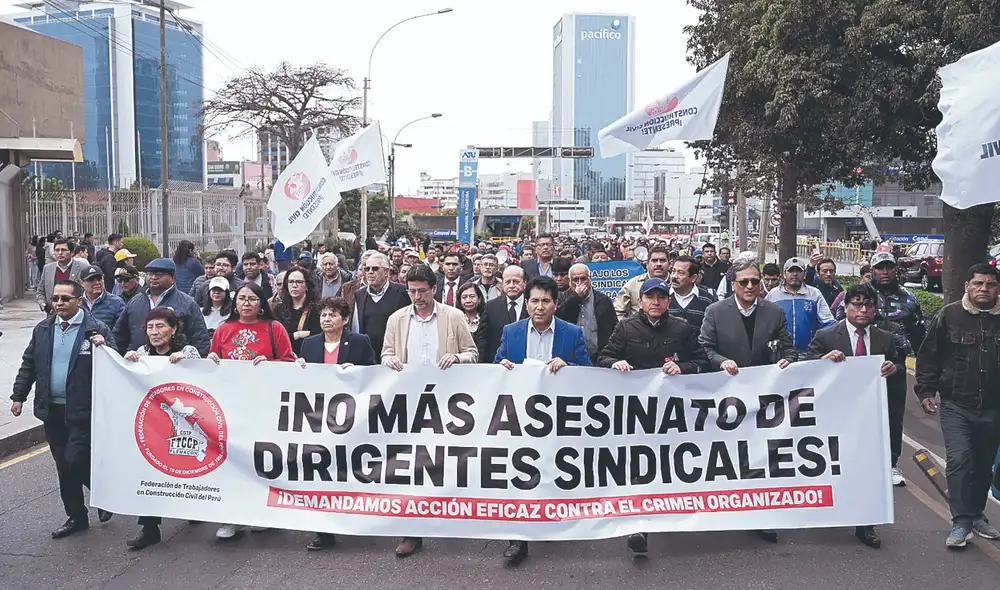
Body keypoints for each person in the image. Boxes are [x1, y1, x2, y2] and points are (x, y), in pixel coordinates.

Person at [598, 277, 709, 554]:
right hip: (636, 411)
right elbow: (603, 357)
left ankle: (671, 512)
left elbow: (702, 361)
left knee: (668, 464)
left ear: (668, 301)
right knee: (639, 466)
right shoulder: (626, 327)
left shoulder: (682, 328)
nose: (655, 302)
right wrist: (616, 362)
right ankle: (640, 526)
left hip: (671, 412)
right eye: (650, 297)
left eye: (660, 297)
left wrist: (683, 367)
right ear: (642, 301)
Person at [381, 264, 479, 558]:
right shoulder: (397, 319)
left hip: (448, 404)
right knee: (410, 466)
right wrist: (390, 361)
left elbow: (474, 354)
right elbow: (385, 353)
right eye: (411, 291)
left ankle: (448, 516)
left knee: (445, 463)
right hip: (409, 404)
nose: (417, 297)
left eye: (422, 291)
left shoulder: (454, 317)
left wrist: (458, 357)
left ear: (434, 289)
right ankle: (411, 531)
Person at [495, 276, 590, 565]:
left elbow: (589, 371)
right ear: (526, 304)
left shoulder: (572, 333)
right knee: (521, 473)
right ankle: (518, 538)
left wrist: (569, 365)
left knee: (552, 470)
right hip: (519, 418)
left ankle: (553, 520)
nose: (539, 307)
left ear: (555, 305)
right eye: (534, 301)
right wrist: (501, 366)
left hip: (558, 419)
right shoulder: (511, 332)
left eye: (545, 301)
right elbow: (497, 362)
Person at [699, 257, 795, 544]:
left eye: (756, 280)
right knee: (726, 458)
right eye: (745, 281)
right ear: (734, 284)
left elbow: (788, 347)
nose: (751, 286)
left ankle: (760, 516)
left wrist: (787, 360)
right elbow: (704, 347)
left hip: (763, 399)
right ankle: (723, 508)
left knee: (760, 458)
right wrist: (721, 361)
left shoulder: (774, 312)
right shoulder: (715, 311)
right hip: (726, 397)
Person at [11, 280, 116, 539]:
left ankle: (104, 495)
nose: (59, 303)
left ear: (79, 300)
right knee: (62, 465)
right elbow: (29, 363)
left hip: (82, 410)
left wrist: (106, 346)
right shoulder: (44, 329)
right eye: (56, 299)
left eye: (65, 299)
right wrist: (18, 395)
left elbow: (115, 362)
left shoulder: (96, 329)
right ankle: (76, 517)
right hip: (51, 409)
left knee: (74, 459)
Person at [805, 283, 906, 550]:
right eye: (857, 304)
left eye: (869, 305)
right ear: (845, 307)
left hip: (870, 416)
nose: (863, 310)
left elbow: (899, 362)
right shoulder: (826, 335)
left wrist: (892, 367)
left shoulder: (885, 337)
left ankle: (866, 524)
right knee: (835, 465)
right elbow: (806, 365)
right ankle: (830, 510)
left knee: (868, 469)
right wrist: (824, 359)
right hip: (835, 416)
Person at [915, 263, 1000, 549]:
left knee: (984, 466)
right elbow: (929, 355)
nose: (984, 289)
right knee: (960, 460)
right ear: (967, 286)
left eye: (990, 284)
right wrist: (926, 390)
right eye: (978, 284)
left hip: (993, 408)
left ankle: (976, 515)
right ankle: (961, 521)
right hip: (956, 405)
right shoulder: (949, 315)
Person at [208, 281, 295, 540]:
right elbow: (212, 360)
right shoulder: (223, 330)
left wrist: (270, 362)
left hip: (263, 405)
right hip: (230, 405)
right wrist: (210, 360)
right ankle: (231, 517)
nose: (246, 303)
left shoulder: (274, 328)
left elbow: (289, 362)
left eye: (252, 299)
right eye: (242, 298)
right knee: (231, 461)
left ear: (261, 304)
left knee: (261, 460)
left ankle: (262, 512)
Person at [296, 296, 377, 551]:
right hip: (318, 417)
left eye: (332, 315)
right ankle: (324, 531)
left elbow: (374, 372)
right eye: (323, 315)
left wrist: (358, 371)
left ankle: (354, 517)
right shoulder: (309, 344)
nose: (326, 320)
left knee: (347, 468)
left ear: (345, 320)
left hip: (350, 417)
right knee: (321, 472)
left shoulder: (359, 342)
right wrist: (297, 367)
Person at [121, 307, 202, 550]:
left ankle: (194, 505)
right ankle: (149, 528)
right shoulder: (142, 353)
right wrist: (127, 362)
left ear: (174, 328)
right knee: (150, 470)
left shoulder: (187, 351)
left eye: (160, 326)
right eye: (150, 327)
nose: (154, 332)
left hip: (185, 423)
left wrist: (186, 364)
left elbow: (203, 379)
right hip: (153, 424)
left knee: (184, 467)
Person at [870, 250, 926, 486]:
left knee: (893, 417)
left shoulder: (909, 300)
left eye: (888, 268)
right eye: (880, 268)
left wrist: (926, 380)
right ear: (872, 270)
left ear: (896, 270)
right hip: (861, 368)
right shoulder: (858, 296)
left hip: (896, 367)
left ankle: (891, 464)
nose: (884, 272)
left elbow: (920, 340)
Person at [112, 258, 211, 357]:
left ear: (173, 278)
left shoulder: (187, 304)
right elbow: (119, 336)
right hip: (140, 367)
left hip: (176, 366)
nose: (153, 277)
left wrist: (189, 362)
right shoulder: (134, 302)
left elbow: (201, 341)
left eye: (159, 274)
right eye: (150, 274)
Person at [765, 257, 835, 358]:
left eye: (798, 271)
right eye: (791, 271)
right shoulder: (773, 295)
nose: (794, 274)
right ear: (784, 274)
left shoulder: (814, 294)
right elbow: (764, 323)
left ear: (805, 274)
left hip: (808, 353)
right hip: (780, 354)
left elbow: (828, 322)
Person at [351, 252, 410, 356]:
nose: (370, 272)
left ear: (386, 272)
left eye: (375, 269)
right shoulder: (360, 295)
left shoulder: (403, 292)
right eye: (367, 269)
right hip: (369, 356)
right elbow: (356, 329)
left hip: (395, 355)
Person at [556, 263, 618, 360]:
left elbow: (614, 328)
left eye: (583, 279)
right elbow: (559, 317)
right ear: (569, 281)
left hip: (598, 356)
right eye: (575, 280)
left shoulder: (603, 300)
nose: (579, 283)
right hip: (570, 357)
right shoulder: (561, 298)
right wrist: (575, 297)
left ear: (590, 279)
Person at [482, 265, 529, 362]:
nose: (511, 285)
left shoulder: (532, 305)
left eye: (516, 282)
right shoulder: (491, 306)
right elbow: (483, 339)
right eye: (507, 282)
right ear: (502, 284)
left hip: (527, 364)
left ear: (524, 283)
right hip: (499, 364)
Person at [615, 246, 671, 319]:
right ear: (647, 264)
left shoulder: (678, 283)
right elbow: (617, 311)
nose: (658, 264)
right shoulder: (633, 284)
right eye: (654, 260)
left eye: (662, 260)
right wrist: (628, 328)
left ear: (669, 264)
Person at [36, 238, 90, 313]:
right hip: (53, 313)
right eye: (57, 250)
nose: (60, 253)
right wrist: (43, 304)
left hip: (76, 312)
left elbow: (89, 291)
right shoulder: (48, 268)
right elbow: (40, 290)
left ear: (71, 252)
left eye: (63, 250)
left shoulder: (82, 268)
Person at [668, 255, 717, 332]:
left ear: (693, 278)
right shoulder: (662, 296)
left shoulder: (708, 300)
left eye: (680, 273)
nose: (674, 276)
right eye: (673, 271)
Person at [79, 265, 125, 329]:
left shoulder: (116, 302)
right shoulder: (76, 302)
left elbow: (122, 330)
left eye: (99, 279)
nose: (97, 283)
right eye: (91, 280)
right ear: (81, 283)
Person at [456, 282, 490, 363]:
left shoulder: (488, 318)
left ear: (479, 299)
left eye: (472, 296)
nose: (468, 300)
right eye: (464, 297)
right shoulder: (456, 319)